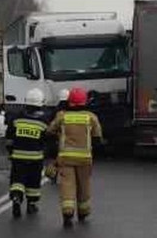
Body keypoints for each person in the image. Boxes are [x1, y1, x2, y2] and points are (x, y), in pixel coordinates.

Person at [47, 87, 103, 228]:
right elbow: (97, 138)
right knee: (84, 185)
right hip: (85, 158)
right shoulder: (91, 117)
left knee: (67, 185)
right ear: (85, 101)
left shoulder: (62, 116)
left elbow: (49, 131)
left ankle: (68, 212)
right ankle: (83, 211)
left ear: (69, 101)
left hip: (65, 158)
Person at [6, 88, 48, 218]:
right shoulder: (43, 122)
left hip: (18, 156)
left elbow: (9, 139)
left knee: (17, 179)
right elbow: (46, 141)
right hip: (36, 158)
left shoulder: (16, 119)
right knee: (33, 181)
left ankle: (17, 198)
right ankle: (31, 205)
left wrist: (11, 152)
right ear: (40, 103)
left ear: (26, 102)